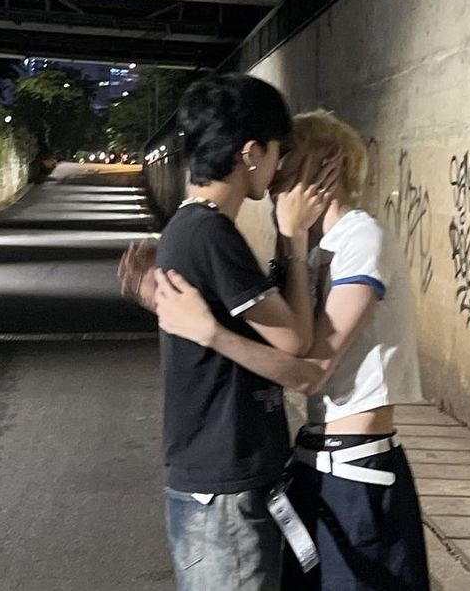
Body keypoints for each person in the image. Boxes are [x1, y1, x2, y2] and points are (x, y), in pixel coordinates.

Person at [155, 109, 430, 591]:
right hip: (316, 463)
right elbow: (279, 336)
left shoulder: (362, 238)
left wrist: (210, 333)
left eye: (287, 155)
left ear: (329, 162)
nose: (275, 172)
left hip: (356, 470)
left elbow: (309, 373)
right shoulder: (320, 247)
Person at [143, 75, 339, 591]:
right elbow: (294, 340)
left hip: (225, 479)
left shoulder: (197, 228)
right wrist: (292, 235)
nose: (278, 170)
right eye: (277, 152)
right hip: (222, 489)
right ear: (250, 152)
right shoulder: (209, 232)